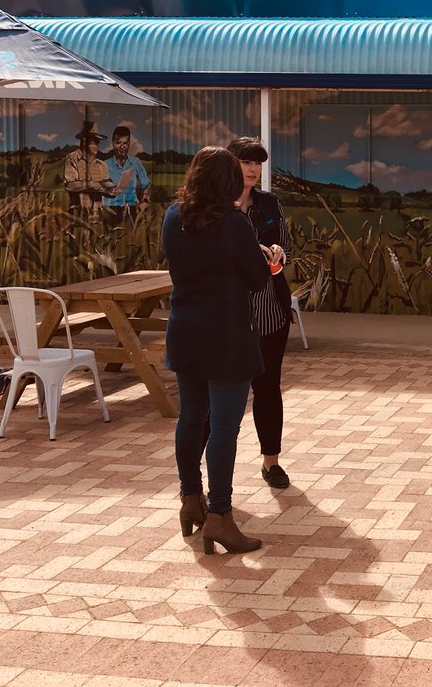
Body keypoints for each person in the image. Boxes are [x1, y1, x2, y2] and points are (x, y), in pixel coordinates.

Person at [163, 146, 272, 555]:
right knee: (225, 427)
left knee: (191, 417)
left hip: (185, 329)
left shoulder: (174, 216)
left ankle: (190, 498)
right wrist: (269, 259)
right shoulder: (234, 223)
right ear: (227, 181)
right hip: (226, 334)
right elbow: (258, 279)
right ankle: (220, 517)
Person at [228, 136, 294, 490]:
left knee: (268, 387)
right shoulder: (217, 206)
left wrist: (279, 253)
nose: (254, 169)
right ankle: (217, 475)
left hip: (270, 309)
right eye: (246, 161)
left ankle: (272, 462)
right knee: (227, 394)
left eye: (258, 163)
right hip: (231, 312)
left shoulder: (269, 203)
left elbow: (284, 243)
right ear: (230, 163)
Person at [63, 121, 116, 213]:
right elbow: (69, 185)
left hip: (98, 215)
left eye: (98, 142)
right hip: (78, 214)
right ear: (84, 141)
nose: (98, 145)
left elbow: (104, 187)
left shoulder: (102, 165)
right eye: (95, 141)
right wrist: (92, 184)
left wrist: (111, 192)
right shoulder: (72, 158)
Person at [103, 125, 151, 217]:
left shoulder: (135, 162)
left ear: (129, 144)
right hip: (110, 209)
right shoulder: (105, 164)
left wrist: (145, 200)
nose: (122, 146)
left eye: (125, 143)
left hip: (132, 209)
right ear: (113, 143)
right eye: (118, 143)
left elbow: (146, 184)